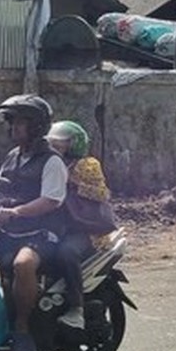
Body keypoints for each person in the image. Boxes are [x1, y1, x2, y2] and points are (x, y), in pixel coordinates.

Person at [0, 94, 68, 351]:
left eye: (20, 123)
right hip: (9, 230)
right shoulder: (13, 156)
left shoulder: (52, 161)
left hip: (41, 232)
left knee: (22, 265)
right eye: (11, 123)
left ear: (36, 126)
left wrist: (15, 212)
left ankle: (22, 329)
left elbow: (51, 200)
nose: (14, 128)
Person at [46, 120, 118, 331]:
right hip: (58, 227)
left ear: (74, 144)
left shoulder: (88, 165)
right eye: (53, 144)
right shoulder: (50, 164)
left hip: (86, 230)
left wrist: (71, 182)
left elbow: (102, 193)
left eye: (60, 144)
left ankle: (76, 309)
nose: (55, 148)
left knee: (66, 253)